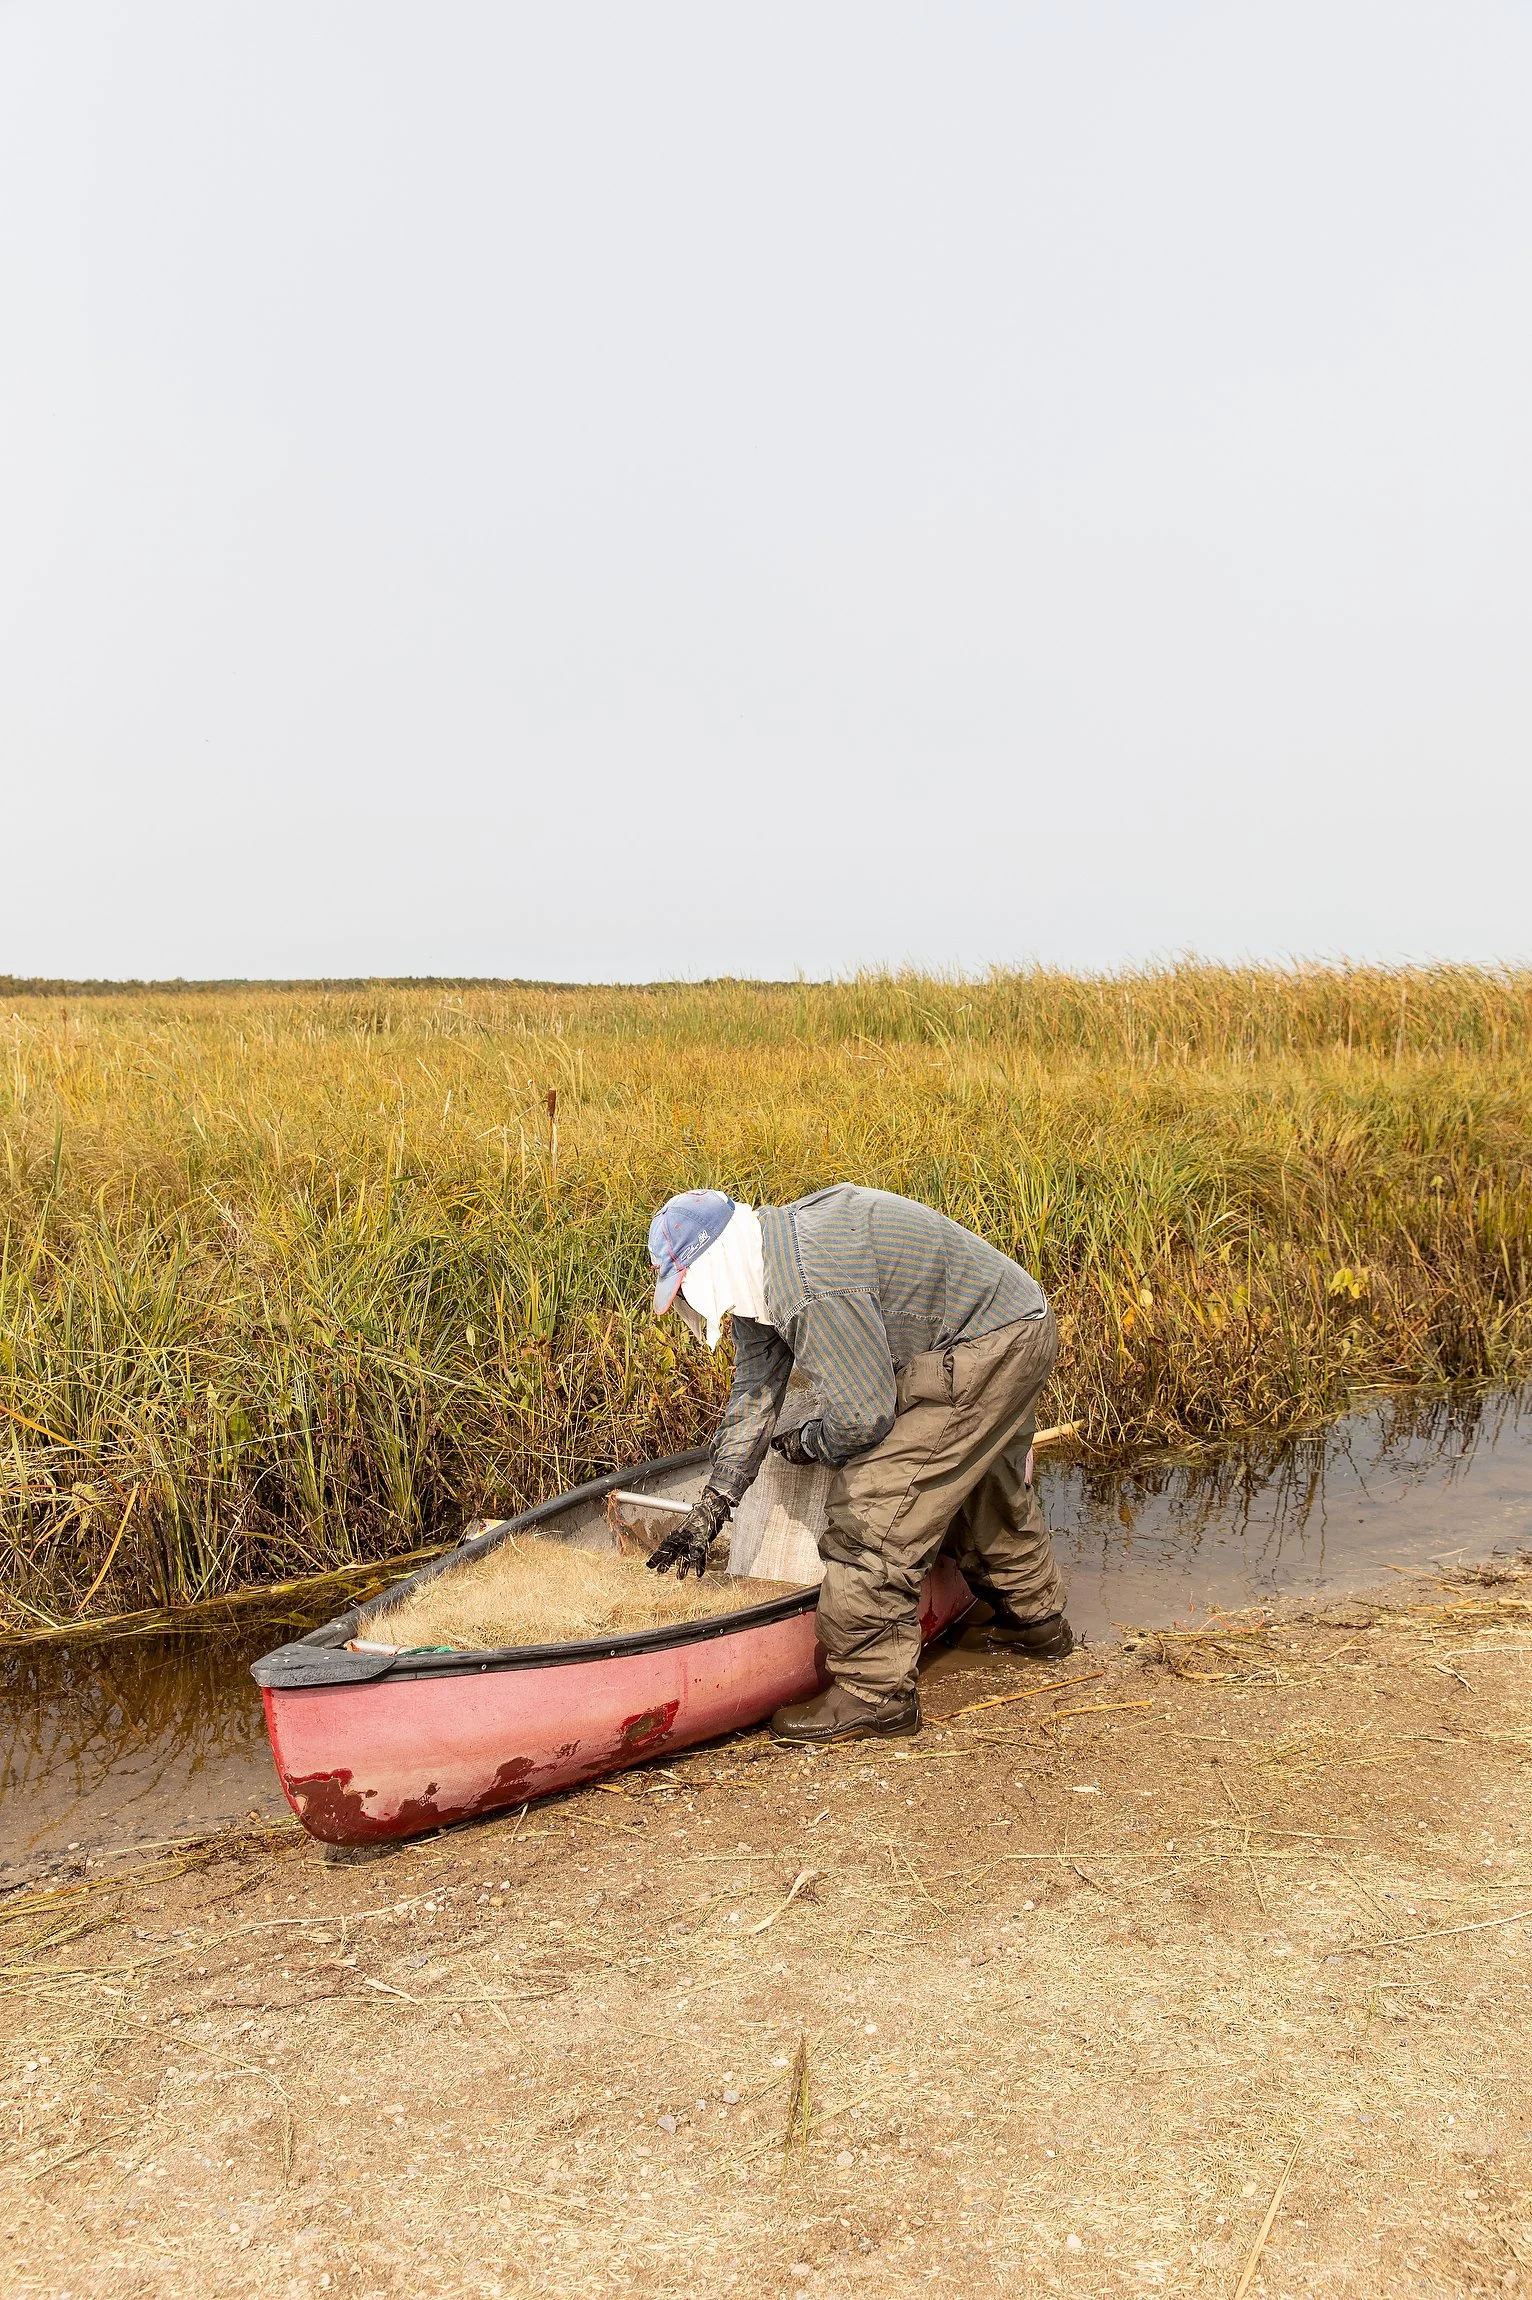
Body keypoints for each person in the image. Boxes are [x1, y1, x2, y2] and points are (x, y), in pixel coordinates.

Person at [643, 1184, 1071, 1745]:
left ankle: (873, 1695)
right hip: (1015, 1321)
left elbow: (864, 1416)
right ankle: (1035, 1625)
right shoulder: (763, 1268)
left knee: (878, 1506)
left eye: (685, 1291)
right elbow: (754, 1396)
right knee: (977, 1485)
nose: (689, 1306)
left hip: (990, 1344)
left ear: (710, 1265)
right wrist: (712, 1505)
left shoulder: (811, 1285)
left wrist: (810, 1444)